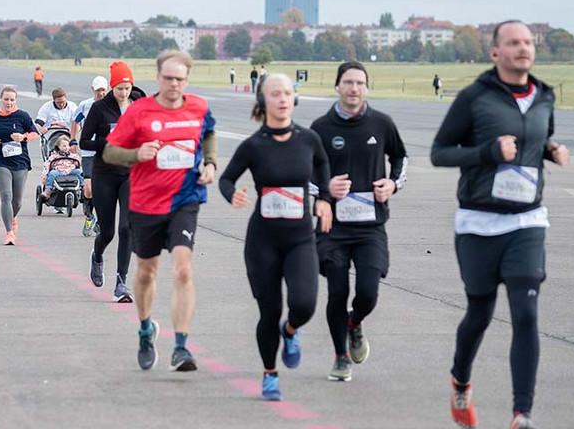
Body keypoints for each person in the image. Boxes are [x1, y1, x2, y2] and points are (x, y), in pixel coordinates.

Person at [431, 20, 568, 429]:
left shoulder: (544, 95)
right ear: (495, 53)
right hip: (478, 224)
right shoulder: (474, 98)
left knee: (526, 314)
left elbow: (539, 138)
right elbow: (439, 153)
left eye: (527, 42)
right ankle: (460, 382)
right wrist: (487, 153)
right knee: (479, 315)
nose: (522, 48)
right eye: (513, 42)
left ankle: (521, 412)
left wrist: (550, 150)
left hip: (527, 221)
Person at [102, 50, 218, 372]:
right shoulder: (140, 112)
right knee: (146, 273)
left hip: (186, 198)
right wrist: (137, 154)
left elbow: (208, 133)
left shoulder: (198, 107)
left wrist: (209, 163)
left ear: (187, 80)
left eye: (179, 79)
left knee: (183, 270)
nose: (173, 84)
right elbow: (110, 152)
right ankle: (145, 328)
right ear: (157, 78)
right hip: (146, 202)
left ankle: (181, 348)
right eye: (168, 78)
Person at [219, 73, 332, 400]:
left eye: (287, 93)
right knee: (269, 311)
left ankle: (291, 330)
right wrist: (233, 195)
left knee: (304, 304)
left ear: (293, 99)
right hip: (263, 242)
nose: (283, 99)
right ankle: (270, 374)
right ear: (262, 102)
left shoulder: (309, 140)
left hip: (300, 239)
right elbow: (226, 179)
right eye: (275, 94)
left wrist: (324, 199)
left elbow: (323, 166)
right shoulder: (254, 145)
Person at [310, 61, 408, 382]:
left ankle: (355, 322)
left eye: (360, 83)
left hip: (370, 226)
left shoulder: (382, 124)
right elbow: (302, 172)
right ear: (337, 86)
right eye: (348, 82)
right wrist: (326, 189)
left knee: (368, 292)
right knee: (337, 292)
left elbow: (400, 159)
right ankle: (340, 358)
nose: (354, 88)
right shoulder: (321, 128)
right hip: (332, 227)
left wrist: (392, 184)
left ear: (366, 88)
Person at [79, 63, 142, 302]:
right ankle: (97, 256)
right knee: (107, 232)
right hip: (104, 173)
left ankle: (121, 283)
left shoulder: (139, 106)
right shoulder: (99, 109)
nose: (124, 93)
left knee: (127, 228)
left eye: (127, 88)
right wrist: (106, 143)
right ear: (112, 86)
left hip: (130, 173)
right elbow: (84, 141)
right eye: (120, 88)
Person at [0, 85, 39, 245]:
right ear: (1, 99)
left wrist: (23, 137)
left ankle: (12, 217)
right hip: (0, 160)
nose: (9, 102)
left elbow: (35, 133)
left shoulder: (23, 116)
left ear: (16, 100)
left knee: (17, 201)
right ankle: (9, 233)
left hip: (20, 161)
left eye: (12, 100)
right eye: (6, 99)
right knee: (6, 196)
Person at [73, 76, 109, 236]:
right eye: (98, 90)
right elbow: (75, 121)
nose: (101, 93)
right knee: (88, 189)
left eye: (103, 90)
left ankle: (101, 220)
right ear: (92, 90)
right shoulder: (85, 105)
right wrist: (73, 140)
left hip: (107, 152)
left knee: (104, 189)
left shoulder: (113, 105)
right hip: (88, 153)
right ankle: (89, 217)